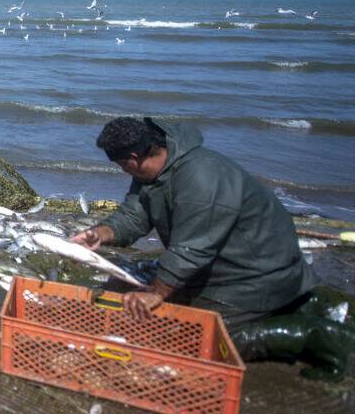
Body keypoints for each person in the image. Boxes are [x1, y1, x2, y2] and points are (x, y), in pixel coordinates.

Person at [73, 117, 353, 381]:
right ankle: (304, 305)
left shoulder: (201, 177)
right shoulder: (153, 172)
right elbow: (134, 216)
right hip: (219, 265)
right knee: (147, 298)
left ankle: (320, 336)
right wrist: (100, 233)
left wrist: (157, 292)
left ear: (133, 159)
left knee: (206, 341)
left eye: (121, 165)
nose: (123, 171)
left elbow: (193, 248)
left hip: (255, 271)